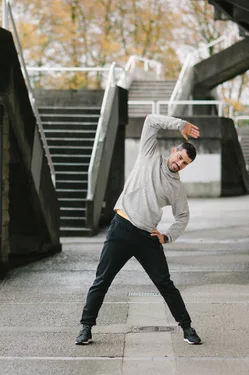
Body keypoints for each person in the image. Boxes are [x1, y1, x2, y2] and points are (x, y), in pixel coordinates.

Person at [75, 114, 202, 346]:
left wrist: (166, 236)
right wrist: (180, 124)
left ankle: (187, 328)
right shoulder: (149, 153)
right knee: (102, 280)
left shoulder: (176, 188)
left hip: (147, 237)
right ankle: (86, 328)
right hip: (121, 228)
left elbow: (183, 216)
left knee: (165, 284)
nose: (179, 164)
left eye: (185, 163)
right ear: (174, 150)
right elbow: (151, 121)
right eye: (180, 157)